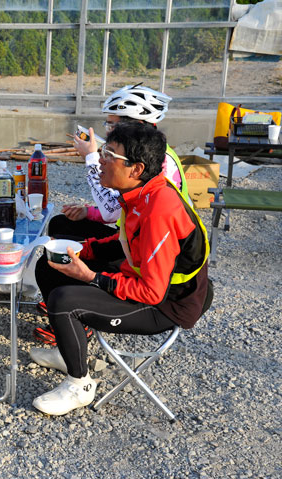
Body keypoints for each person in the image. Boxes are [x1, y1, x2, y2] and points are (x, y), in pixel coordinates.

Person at [30, 123, 212, 416]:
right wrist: (83, 249)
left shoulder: (159, 211)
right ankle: (68, 351)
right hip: (150, 285)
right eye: (103, 151)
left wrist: (90, 277)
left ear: (136, 169)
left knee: (64, 301)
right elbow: (125, 239)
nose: (100, 159)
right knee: (50, 265)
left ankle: (79, 386)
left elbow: (152, 292)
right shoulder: (145, 192)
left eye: (109, 154)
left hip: (168, 304)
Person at [34, 84, 192, 345]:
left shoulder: (157, 161)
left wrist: (90, 158)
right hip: (132, 239)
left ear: (136, 124)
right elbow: (121, 209)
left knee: (58, 251)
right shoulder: (150, 151)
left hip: (150, 255)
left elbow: (113, 208)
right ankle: (61, 300)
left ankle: (74, 311)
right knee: (61, 226)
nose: (108, 131)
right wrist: (88, 212)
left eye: (111, 125)